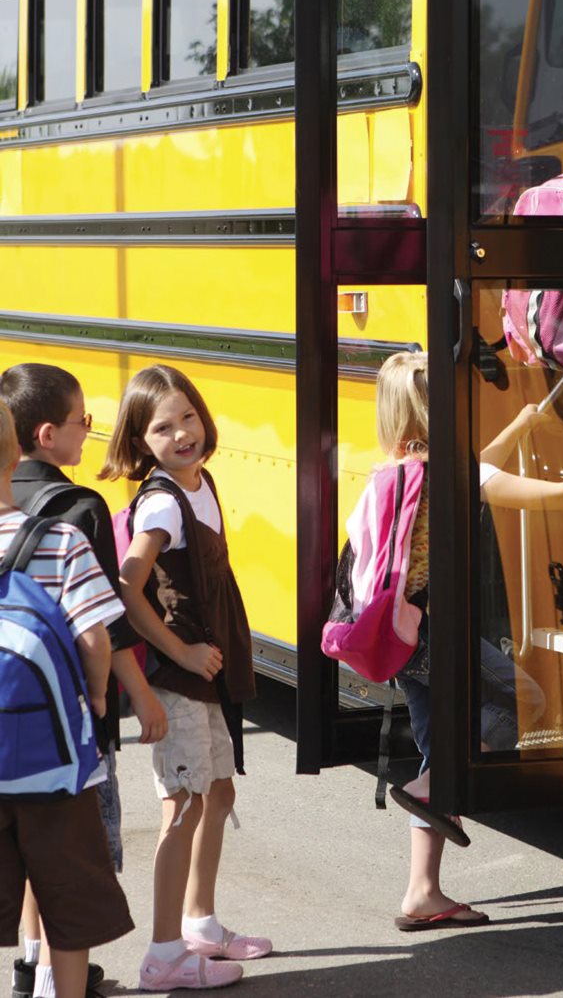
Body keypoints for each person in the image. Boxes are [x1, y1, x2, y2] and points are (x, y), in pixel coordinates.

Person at [353, 352, 563, 931]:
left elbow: (484, 467)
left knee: (440, 745)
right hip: (438, 632)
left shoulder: (402, 470)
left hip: (399, 633)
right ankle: (430, 787)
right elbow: (534, 495)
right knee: (525, 702)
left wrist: (523, 424)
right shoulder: (448, 475)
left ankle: (422, 892)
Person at [98, 365, 270, 991]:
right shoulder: (165, 499)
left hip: (211, 672)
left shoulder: (200, 482)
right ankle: (163, 954)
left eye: (188, 417)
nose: (181, 434)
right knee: (184, 806)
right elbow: (126, 586)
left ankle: (200, 924)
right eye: (162, 427)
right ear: (142, 441)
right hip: (181, 674)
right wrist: (184, 651)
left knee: (218, 793)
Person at [0, 363, 167, 998]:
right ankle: (58, 982)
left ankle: (25, 967)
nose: (89, 432)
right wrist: (109, 697)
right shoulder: (72, 516)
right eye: (82, 422)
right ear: (40, 436)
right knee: (68, 874)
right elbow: (103, 633)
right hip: (57, 744)